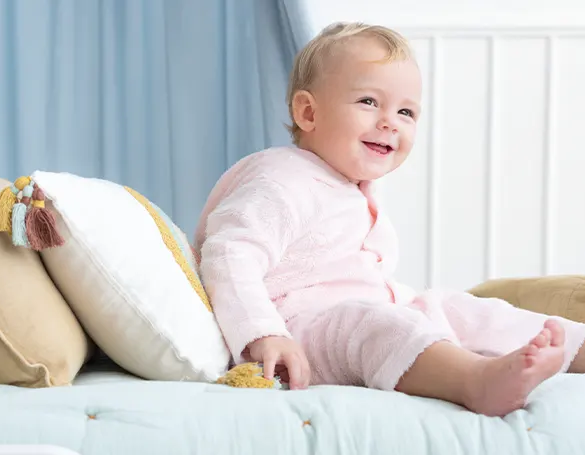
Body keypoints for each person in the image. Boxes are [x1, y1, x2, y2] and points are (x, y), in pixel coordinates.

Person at [194, 22, 585, 417]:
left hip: (362, 317)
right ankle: (476, 381)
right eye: (368, 102)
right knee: (374, 322)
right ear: (308, 112)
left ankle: (577, 346)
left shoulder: (351, 187)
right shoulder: (281, 178)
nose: (390, 122)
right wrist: (263, 333)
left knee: (456, 307)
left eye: (405, 111)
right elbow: (229, 252)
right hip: (298, 333)